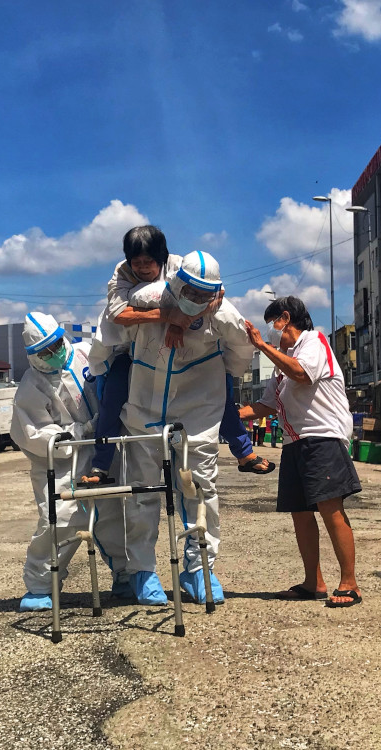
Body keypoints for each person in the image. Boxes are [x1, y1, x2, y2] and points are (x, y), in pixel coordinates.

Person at [84, 226, 274, 484]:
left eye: (148, 262)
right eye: (136, 262)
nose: (141, 268)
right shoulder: (122, 274)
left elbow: (211, 295)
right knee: (112, 396)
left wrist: (181, 323)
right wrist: (168, 316)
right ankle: (100, 465)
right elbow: (118, 315)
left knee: (219, 390)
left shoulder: (180, 266)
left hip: (183, 350)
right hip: (134, 350)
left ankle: (243, 451)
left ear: (162, 257)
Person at [117, 250, 254, 604]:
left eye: (204, 294)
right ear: (176, 282)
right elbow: (113, 324)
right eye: (190, 292)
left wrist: (222, 374)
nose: (196, 301)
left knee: (200, 488)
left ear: (217, 293)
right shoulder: (150, 298)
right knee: (143, 491)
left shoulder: (224, 315)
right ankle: (142, 571)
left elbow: (241, 354)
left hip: (198, 412)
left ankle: (198, 568)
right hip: (144, 407)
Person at [238, 296, 363, 608]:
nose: (269, 334)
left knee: (329, 508)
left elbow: (302, 374)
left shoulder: (314, 342)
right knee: (300, 513)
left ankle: (350, 583)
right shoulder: (280, 364)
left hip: (322, 438)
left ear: (285, 318)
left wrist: (262, 347)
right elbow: (266, 405)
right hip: (294, 443)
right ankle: (313, 582)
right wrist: (227, 416)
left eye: (271, 326)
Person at [11, 311, 125, 612]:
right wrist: (81, 431)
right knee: (59, 520)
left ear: (63, 338)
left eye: (55, 345)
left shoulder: (87, 354)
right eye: (44, 352)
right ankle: (40, 586)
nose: (52, 354)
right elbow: (33, 433)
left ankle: (127, 576)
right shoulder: (31, 386)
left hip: (104, 451)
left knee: (113, 514)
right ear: (32, 356)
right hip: (63, 462)